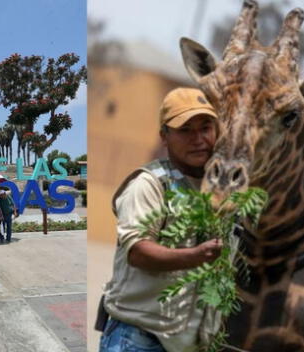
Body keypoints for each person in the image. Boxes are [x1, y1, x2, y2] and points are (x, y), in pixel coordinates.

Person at [98, 88, 229, 352]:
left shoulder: (221, 189)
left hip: (192, 343)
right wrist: (197, 255)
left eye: (205, 128)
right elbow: (138, 252)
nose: (198, 139)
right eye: (185, 130)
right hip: (139, 340)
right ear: (164, 137)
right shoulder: (150, 184)